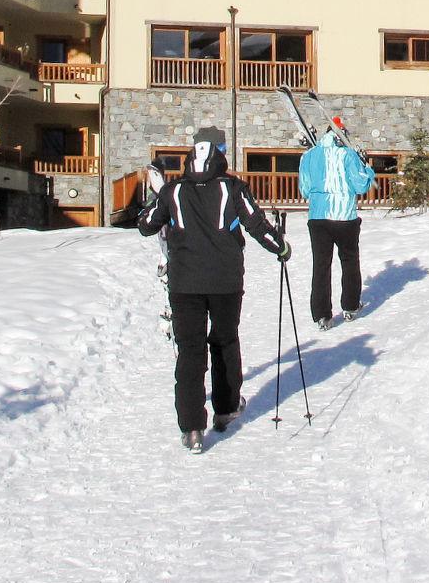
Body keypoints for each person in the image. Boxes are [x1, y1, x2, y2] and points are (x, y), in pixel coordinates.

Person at [136, 127, 289, 452]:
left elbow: (145, 225)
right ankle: (226, 409)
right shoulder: (233, 188)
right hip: (225, 282)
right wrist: (281, 248)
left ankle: (191, 429)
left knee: (190, 352)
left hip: (184, 284)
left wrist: (156, 198)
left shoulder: (173, 191)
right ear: (221, 156)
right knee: (224, 343)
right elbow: (256, 222)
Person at [298, 116, 376, 329]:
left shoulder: (310, 155)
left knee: (321, 265)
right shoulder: (349, 155)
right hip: (344, 217)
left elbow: (304, 189)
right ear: (342, 135)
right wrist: (366, 167)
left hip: (318, 217)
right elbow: (360, 186)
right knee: (349, 261)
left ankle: (322, 315)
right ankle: (350, 306)